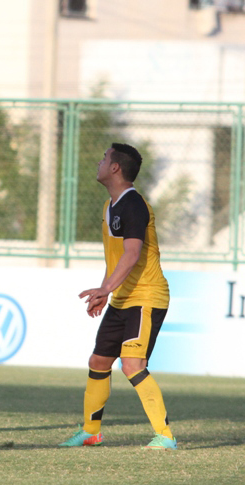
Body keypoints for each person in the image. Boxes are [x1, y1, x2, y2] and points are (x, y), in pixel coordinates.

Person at [60, 142, 176, 450]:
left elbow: (133, 253)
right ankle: (91, 432)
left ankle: (165, 436)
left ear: (115, 168)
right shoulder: (109, 206)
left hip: (146, 296)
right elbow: (116, 258)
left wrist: (107, 288)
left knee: (132, 364)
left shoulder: (133, 204)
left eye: (103, 158)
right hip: (122, 297)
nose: (99, 162)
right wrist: (104, 290)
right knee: (99, 360)